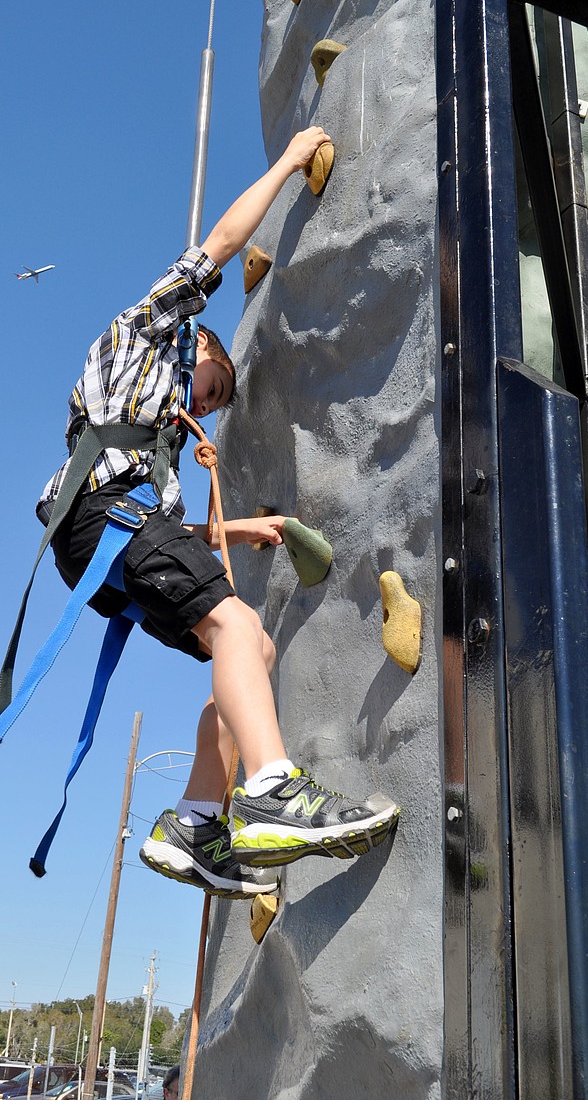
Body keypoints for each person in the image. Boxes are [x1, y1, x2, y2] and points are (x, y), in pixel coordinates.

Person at [39, 126, 400, 900]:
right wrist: (289, 161)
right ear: (196, 343)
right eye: (211, 388)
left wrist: (244, 528)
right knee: (237, 625)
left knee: (249, 647)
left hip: (112, 534)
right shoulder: (143, 330)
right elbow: (223, 241)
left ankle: (198, 821)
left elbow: (170, 544)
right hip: (97, 516)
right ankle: (271, 789)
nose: (205, 405)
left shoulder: (160, 454)